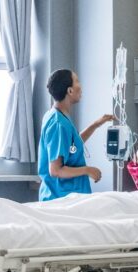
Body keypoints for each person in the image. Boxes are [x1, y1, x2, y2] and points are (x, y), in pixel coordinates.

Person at [38, 69, 114, 201]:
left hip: (67, 198)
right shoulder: (58, 124)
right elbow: (56, 170)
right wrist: (87, 170)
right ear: (70, 91)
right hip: (61, 199)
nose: (81, 86)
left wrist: (96, 124)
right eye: (77, 81)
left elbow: (72, 145)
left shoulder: (57, 116)